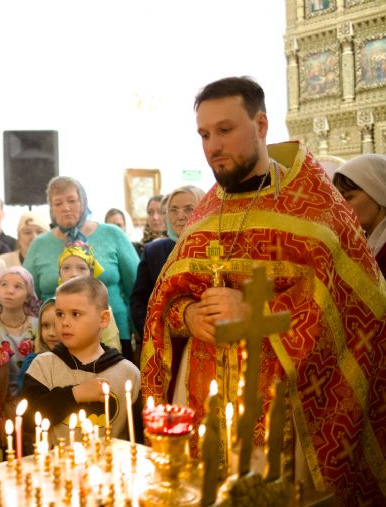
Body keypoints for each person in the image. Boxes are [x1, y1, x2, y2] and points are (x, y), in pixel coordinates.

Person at [140, 76, 386, 503]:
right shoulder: (205, 212)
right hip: (202, 407)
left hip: (284, 416)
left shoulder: (317, 208)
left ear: (261, 125)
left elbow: (360, 313)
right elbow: (167, 300)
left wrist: (257, 312)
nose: (212, 145)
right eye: (203, 134)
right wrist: (189, 316)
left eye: (225, 129)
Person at [23, 175, 139, 359]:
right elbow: (28, 297)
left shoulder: (113, 234)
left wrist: (139, 332)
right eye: (58, 203)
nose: (66, 207)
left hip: (111, 334)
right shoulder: (39, 244)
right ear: (51, 208)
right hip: (56, 339)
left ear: (83, 202)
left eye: (72, 200)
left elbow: (136, 287)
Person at [22, 276, 140, 444]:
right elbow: (27, 421)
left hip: (110, 467)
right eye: (60, 314)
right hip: (58, 468)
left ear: (103, 319)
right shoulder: (43, 366)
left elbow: (139, 437)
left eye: (75, 314)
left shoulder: (128, 373)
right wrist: (74, 394)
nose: (64, 322)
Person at [130, 185, 204, 368]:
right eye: (173, 210)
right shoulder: (154, 251)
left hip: (204, 341)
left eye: (189, 209)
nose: (180, 216)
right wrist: (151, 333)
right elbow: (139, 299)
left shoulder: (214, 249)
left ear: (204, 208)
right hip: (163, 343)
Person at [0, 266, 40, 408]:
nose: (9, 291)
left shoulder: (38, 327)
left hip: (33, 398)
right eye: (4, 284)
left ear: (28, 296)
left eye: (18, 286)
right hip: (0, 400)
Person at [58, 241, 122, 352]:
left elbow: (112, 348)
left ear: (91, 274)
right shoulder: (51, 306)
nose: (73, 273)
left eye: (81, 268)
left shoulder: (102, 309)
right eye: (66, 268)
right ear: (59, 273)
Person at [333, 154, 386, 276]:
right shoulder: (359, 244)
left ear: (378, 193)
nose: (340, 206)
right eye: (338, 199)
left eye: (347, 197)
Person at [16, 298, 59, 393]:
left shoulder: (77, 362)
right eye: (46, 326)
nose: (51, 333)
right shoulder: (32, 362)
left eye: (57, 326)